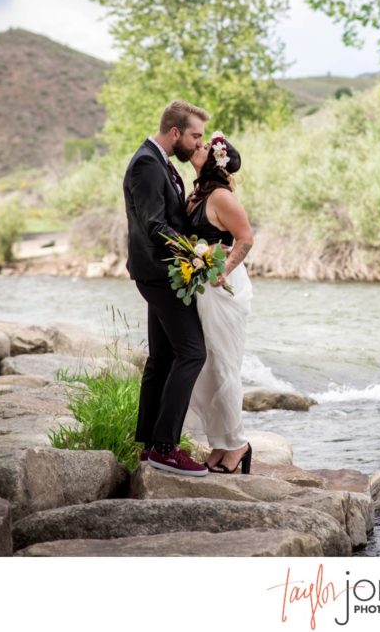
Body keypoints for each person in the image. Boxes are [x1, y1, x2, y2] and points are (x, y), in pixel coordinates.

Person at [123, 99, 210, 477]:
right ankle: (165, 448)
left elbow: (169, 216)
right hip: (160, 273)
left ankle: (148, 446)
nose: (197, 143)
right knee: (192, 353)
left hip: (158, 272)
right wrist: (196, 256)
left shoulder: (160, 163)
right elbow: (154, 224)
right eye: (194, 135)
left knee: (161, 359)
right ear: (175, 132)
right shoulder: (146, 163)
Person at [181, 131, 255, 474]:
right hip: (200, 289)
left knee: (224, 366)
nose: (199, 146)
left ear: (215, 159)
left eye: (206, 147)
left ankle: (238, 444)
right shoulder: (197, 194)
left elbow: (245, 238)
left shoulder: (222, 196)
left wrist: (223, 269)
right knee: (205, 368)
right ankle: (219, 444)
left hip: (224, 289)